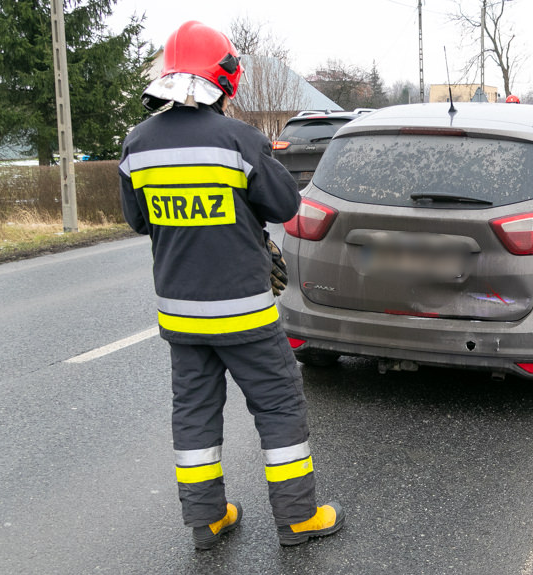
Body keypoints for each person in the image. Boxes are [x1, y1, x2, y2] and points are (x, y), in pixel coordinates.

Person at [119, 21, 344, 550]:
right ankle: (297, 517)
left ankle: (208, 520)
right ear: (224, 79)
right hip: (245, 313)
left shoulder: (136, 145)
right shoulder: (240, 140)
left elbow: (137, 221)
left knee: (194, 417)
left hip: (180, 316)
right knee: (279, 407)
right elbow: (286, 208)